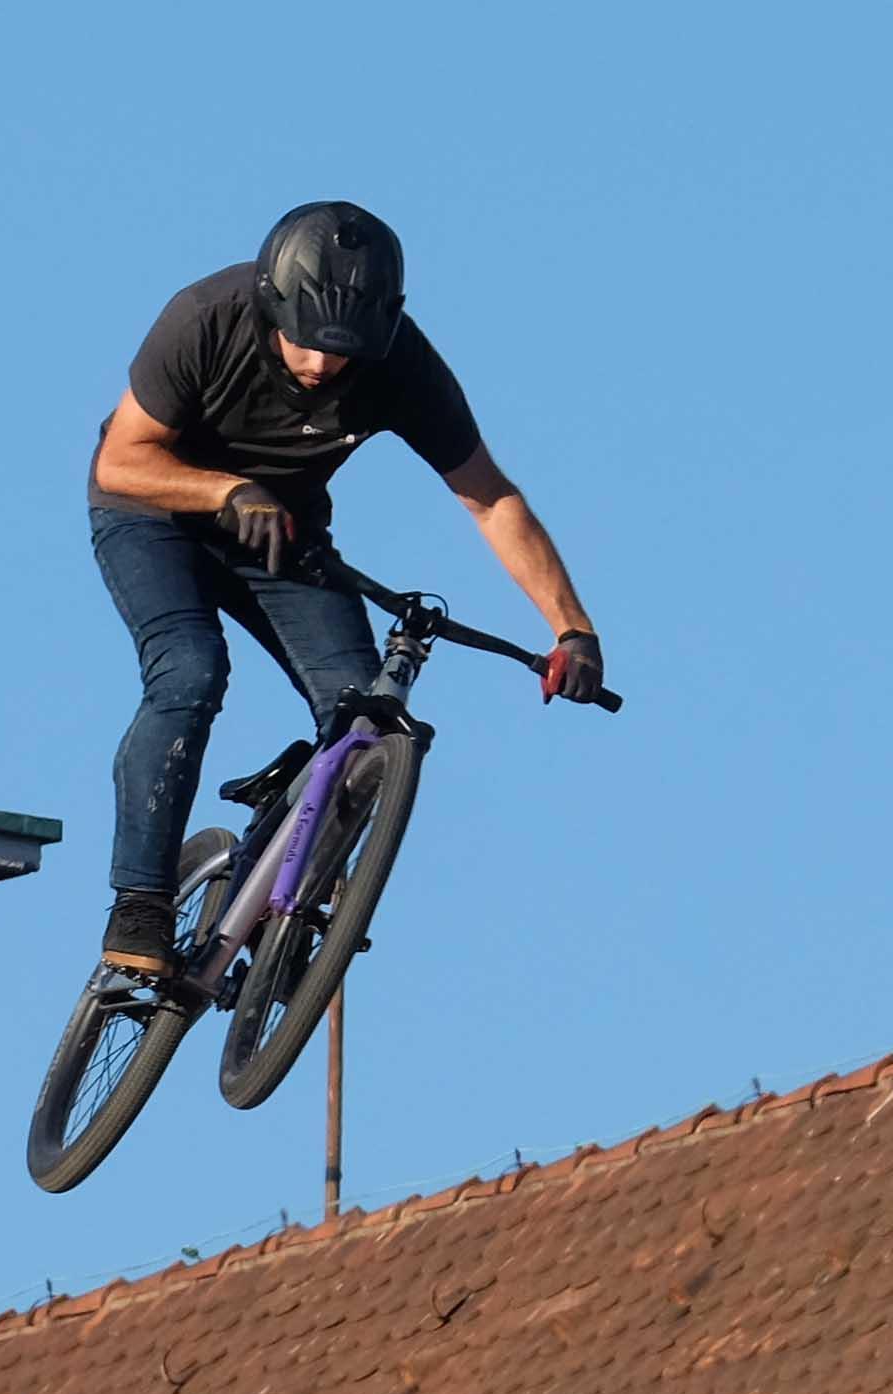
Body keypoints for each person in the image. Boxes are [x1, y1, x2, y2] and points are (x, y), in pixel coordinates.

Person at [87, 201, 605, 976]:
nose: (325, 367)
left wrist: (572, 628)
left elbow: (491, 499)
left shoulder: (404, 367)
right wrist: (227, 490)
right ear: (271, 305)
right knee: (192, 672)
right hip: (153, 516)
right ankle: (140, 901)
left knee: (369, 721)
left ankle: (279, 898)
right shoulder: (203, 318)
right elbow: (119, 463)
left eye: (345, 352)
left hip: (281, 538)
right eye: (308, 344)